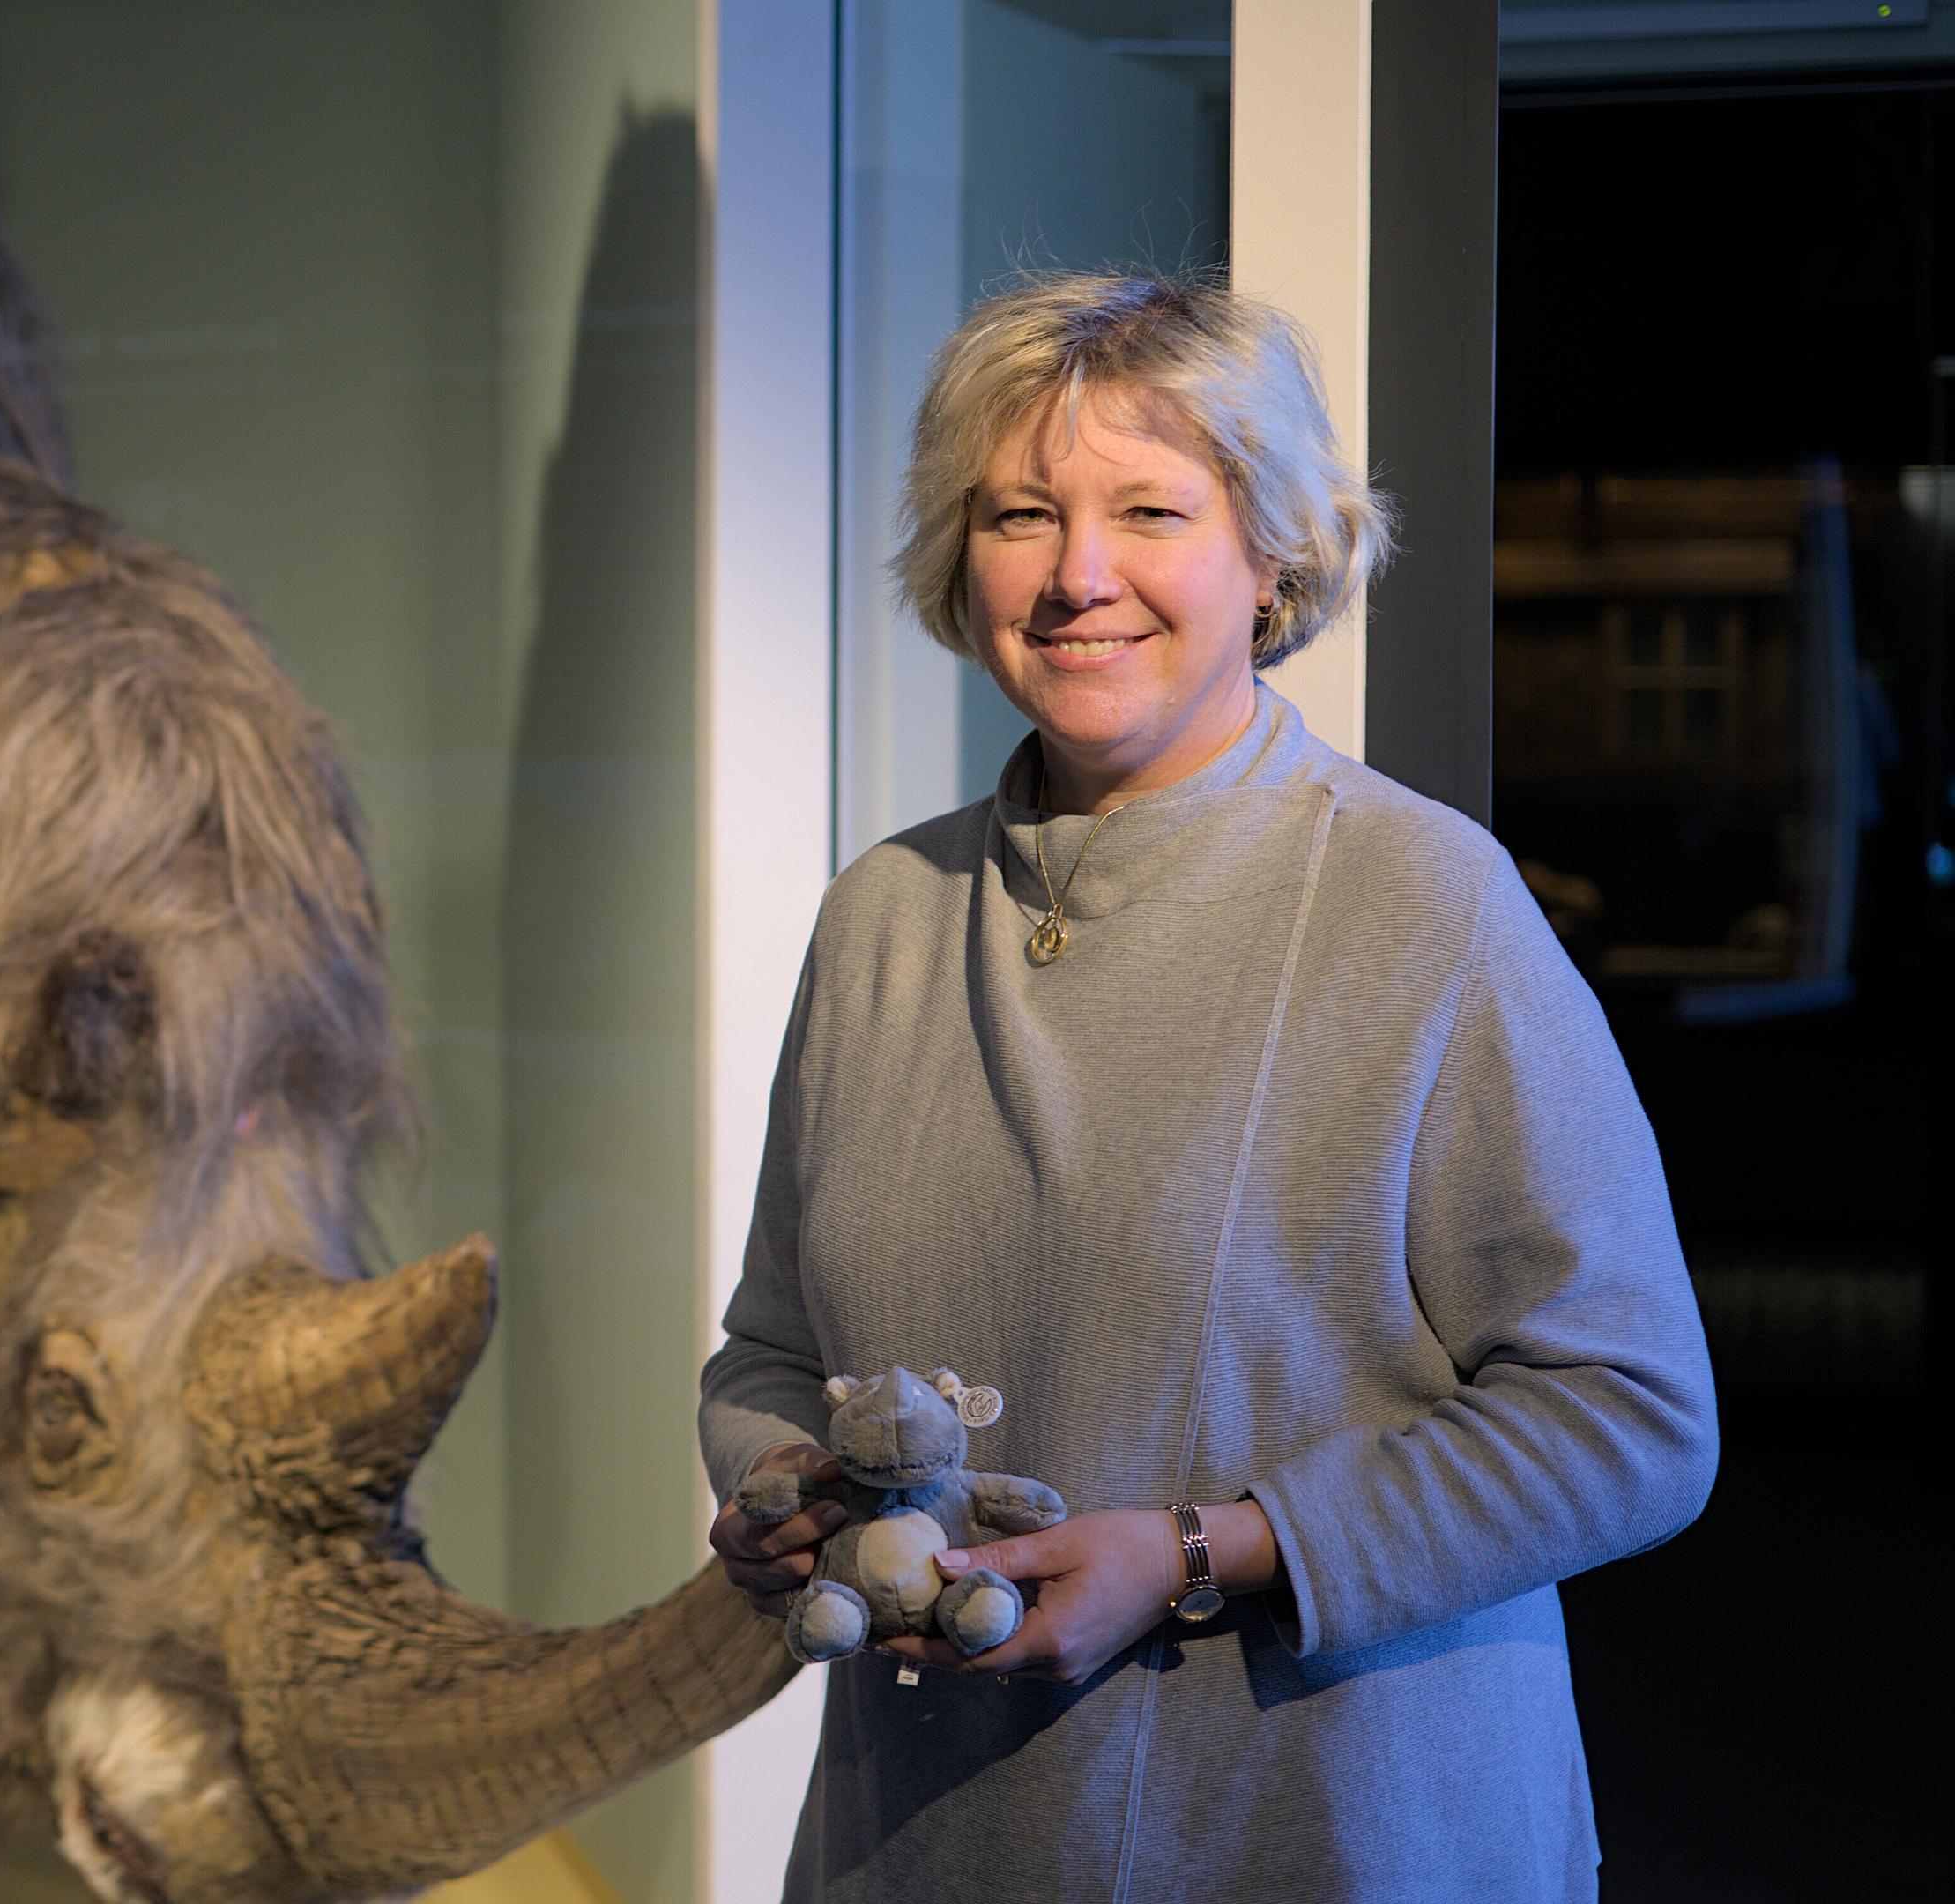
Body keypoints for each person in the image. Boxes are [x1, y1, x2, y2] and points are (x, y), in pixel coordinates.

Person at [701, 274, 1716, 1900]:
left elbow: (1633, 1419)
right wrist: (776, 1490)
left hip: (1324, 1835)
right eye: (1022, 514)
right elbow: (772, 1351)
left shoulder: (1426, 901)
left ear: (1274, 559)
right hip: (933, 1835)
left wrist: (1205, 1549)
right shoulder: (881, 914)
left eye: (1149, 511)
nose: (1077, 575)